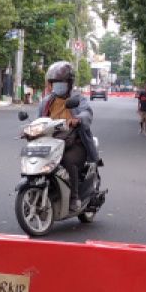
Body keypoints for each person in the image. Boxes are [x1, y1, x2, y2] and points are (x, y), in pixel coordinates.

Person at [38, 61, 96, 214]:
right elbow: (39, 122)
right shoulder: (46, 102)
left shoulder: (77, 99)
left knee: (68, 160)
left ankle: (75, 198)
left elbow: (87, 113)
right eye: (54, 82)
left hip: (74, 143)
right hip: (52, 143)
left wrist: (78, 119)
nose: (56, 85)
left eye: (60, 82)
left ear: (69, 83)